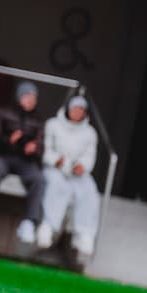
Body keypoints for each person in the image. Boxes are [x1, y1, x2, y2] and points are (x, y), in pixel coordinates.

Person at [38, 94, 102, 264]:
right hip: (55, 169)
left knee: (89, 192)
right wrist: (57, 160)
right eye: (75, 108)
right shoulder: (53, 124)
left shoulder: (90, 133)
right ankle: (48, 227)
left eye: (81, 109)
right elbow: (46, 149)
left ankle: (84, 234)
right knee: (57, 187)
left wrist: (82, 166)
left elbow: (89, 157)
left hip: (77, 173)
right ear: (68, 109)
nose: (78, 112)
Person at [0, 81, 46, 243]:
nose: (31, 100)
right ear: (19, 97)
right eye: (27, 96)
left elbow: (41, 147)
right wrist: (9, 140)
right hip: (4, 156)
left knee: (39, 179)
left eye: (34, 98)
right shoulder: (3, 112)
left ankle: (29, 222)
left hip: (24, 160)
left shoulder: (38, 120)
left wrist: (33, 149)